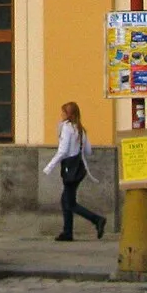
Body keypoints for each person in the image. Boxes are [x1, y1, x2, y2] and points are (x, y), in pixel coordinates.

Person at [41, 101, 107, 241]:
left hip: (70, 168)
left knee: (69, 203)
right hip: (80, 168)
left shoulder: (67, 128)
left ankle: (97, 220)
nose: (61, 115)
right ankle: (67, 232)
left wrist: (49, 166)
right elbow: (88, 150)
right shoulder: (80, 128)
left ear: (69, 114)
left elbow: (63, 151)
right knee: (66, 199)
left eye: (63, 112)